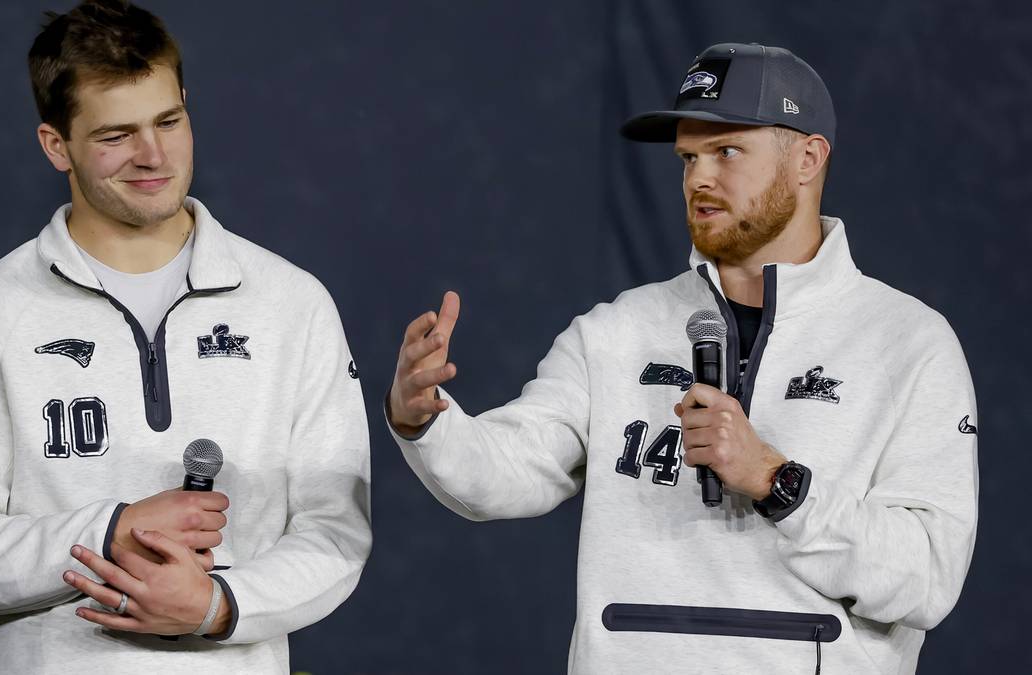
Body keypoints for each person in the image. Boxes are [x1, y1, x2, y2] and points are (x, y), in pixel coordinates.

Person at [386, 42, 978, 673]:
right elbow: (507, 470)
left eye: (727, 152)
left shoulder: (909, 343)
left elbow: (928, 576)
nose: (699, 179)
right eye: (689, 158)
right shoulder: (617, 331)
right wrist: (425, 420)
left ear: (807, 158)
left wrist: (777, 482)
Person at [0, 1, 370, 672]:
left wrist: (217, 605)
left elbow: (336, 534)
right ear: (56, 145)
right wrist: (109, 530)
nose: (153, 155)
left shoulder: (292, 305)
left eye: (169, 122)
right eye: (116, 135)